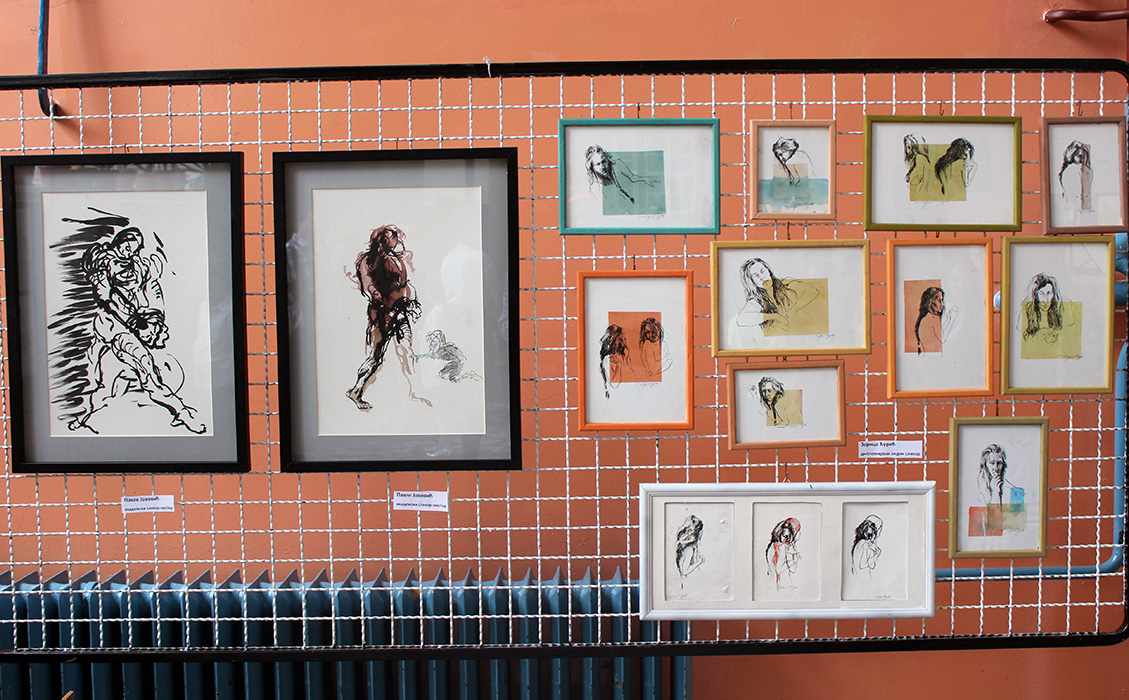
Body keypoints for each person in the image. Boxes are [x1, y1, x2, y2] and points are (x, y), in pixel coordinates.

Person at [65, 214, 204, 434]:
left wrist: (155, 319)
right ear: (118, 242)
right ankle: (183, 413)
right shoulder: (104, 264)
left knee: (110, 386)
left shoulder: (140, 266)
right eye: (127, 243)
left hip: (134, 324)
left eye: (135, 246)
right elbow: (108, 299)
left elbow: (152, 291)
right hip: (113, 326)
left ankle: (83, 419)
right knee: (145, 373)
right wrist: (136, 323)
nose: (130, 249)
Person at [346, 224, 430, 411]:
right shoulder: (367, 261)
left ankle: (414, 392)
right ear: (382, 241)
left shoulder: (395, 260)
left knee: (407, 351)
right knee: (376, 357)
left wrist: (410, 302)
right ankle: (356, 390)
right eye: (392, 240)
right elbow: (371, 289)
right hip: (381, 314)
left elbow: (404, 284)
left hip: (400, 312)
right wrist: (393, 304)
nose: (396, 243)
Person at [733, 258, 819, 337]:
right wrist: (774, 316)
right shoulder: (757, 301)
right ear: (752, 282)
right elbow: (741, 320)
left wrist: (794, 309)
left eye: (763, 271)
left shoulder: (786, 286)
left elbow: (813, 291)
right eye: (756, 276)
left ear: (768, 271)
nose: (762, 277)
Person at [1021, 273, 1073, 346]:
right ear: (1035, 295)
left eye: (1049, 293)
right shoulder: (1026, 311)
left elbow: (1070, 337)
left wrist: (1057, 337)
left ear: (1054, 295)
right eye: (1041, 294)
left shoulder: (1063, 309)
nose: (1045, 300)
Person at [412, 329, 481, 383]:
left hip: (458, 365)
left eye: (434, 341)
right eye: (431, 342)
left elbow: (462, 358)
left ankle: (467, 375)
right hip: (453, 366)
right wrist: (418, 356)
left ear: (440, 340)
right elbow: (431, 355)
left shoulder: (448, 348)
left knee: (450, 376)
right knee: (442, 374)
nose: (432, 344)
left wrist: (459, 370)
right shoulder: (439, 351)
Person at [766, 517, 801, 589]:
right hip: (772, 583)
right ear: (780, 533)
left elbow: (793, 569)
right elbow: (771, 566)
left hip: (785, 585)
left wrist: (790, 553)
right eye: (784, 536)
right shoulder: (772, 547)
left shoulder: (788, 549)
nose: (785, 539)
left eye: (788, 537)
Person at [1058, 140, 1093, 212]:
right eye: (1079, 156)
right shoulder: (1071, 170)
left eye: (1083, 156)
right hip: (1073, 207)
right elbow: (1073, 194)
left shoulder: (1085, 170)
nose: (1081, 159)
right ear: (1072, 155)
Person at [598, 324, 628, 399]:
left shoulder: (618, 357)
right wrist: (619, 365)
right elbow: (614, 384)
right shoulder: (609, 359)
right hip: (614, 397)